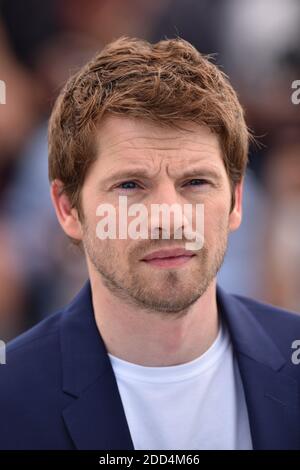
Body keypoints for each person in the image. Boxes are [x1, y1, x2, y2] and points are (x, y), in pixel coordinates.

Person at [0, 36, 299, 450]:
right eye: (130, 185)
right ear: (68, 210)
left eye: (195, 182)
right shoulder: (10, 400)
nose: (168, 218)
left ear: (235, 202)